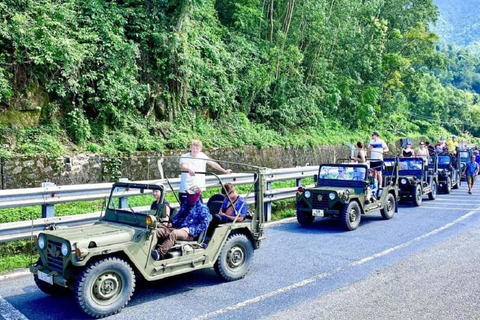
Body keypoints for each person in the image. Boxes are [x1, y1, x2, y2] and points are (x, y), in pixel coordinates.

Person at [151, 185, 211, 261]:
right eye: (188, 195)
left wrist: (190, 229)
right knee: (159, 231)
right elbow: (179, 216)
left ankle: (159, 253)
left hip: (190, 233)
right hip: (179, 228)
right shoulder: (186, 205)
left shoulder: (202, 208)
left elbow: (205, 224)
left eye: (191, 195)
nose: (189, 197)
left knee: (174, 234)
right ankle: (149, 249)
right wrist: (172, 223)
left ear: (197, 195)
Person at [179, 139, 232, 204]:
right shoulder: (184, 157)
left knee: (199, 210)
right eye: (193, 148)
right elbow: (183, 166)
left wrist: (224, 171)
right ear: (190, 148)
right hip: (186, 189)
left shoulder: (202, 156)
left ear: (200, 149)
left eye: (197, 148)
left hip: (197, 189)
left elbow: (213, 164)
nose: (195, 150)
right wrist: (189, 169)